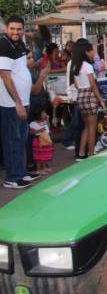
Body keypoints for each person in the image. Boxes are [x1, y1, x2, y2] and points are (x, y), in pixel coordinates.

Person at [0, 16, 38, 189]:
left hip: (23, 101)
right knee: (12, 140)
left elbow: (22, 65)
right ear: (6, 28)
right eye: (12, 29)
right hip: (11, 104)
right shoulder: (4, 45)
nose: (15, 32)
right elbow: (5, 76)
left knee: (21, 139)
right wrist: (17, 102)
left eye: (19, 29)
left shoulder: (19, 44)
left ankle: (21, 172)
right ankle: (12, 177)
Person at [72, 39, 106, 160]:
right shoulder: (87, 66)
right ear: (86, 52)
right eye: (92, 51)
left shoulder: (76, 66)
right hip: (90, 96)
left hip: (80, 95)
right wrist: (100, 100)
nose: (93, 53)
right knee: (92, 127)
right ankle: (91, 153)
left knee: (86, 126)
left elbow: (76, 84)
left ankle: (81, 152)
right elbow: (93, 85)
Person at [29, 106, 53, 175]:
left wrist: (47, 121)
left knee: (44, 155)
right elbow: (31, 132)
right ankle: (39, 169)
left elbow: (48, 128)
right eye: (43, 113)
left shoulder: (44, 122)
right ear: (38, 115)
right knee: (39, 157)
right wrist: (39, 130)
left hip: (45, 140)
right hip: (38, 141)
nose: (45, 114)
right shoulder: (33, 124)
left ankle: (44, 167)